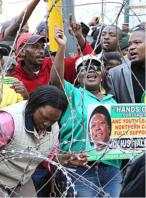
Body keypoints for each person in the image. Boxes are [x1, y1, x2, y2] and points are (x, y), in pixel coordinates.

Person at [0, 85, 89, 198]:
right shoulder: (8, 120)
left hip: (22, 180)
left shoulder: (54, 127)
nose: (47, 124)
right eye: (44, 117)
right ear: (35, 106)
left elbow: (51, 159)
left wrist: (69, 159)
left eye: (53, 120)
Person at [50, 24, 122, 197]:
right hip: (81, 168)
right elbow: (56, 79)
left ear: (102, 74)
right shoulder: (73, 94)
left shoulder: (112, 100)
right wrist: (61, 46)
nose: (91, 69)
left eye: (96, 67)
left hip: (112, 169)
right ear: (77, 76)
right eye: (84, 68)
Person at [10, 14, 95, 94]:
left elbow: (91, 61)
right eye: (36, 47)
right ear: (22, 51)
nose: (41, 51)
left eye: (42, 47)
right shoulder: (14, 78)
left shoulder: (53, 65)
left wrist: (79, 36)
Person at [107, 28, 146, 103]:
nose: (131, 48)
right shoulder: (116, 74)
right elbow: (112, 108)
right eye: (130, 44)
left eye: (137, 42)